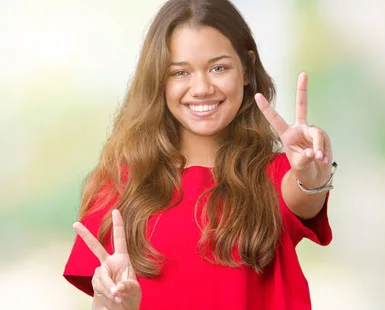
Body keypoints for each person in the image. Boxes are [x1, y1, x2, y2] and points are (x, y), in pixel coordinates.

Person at [62, 0, 336, 309]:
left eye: (218, 68)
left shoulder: (275, 175)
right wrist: (111, 302)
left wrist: (313, 177)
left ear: (245, 69)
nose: (202, 88)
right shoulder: (121, 182)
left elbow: (302, 193)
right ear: (159, 80)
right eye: (180, 73)